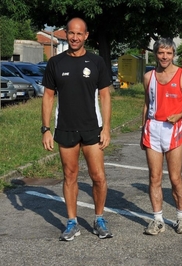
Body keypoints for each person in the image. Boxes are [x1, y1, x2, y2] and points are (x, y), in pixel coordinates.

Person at [41, 17, 113, 241]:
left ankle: (99, 218)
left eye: (79, 34)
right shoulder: (56, 63)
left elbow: (105, 96)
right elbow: (48, 97)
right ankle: (72, 222)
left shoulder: (97, 62)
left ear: (86, 36)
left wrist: (107, 128)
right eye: (71, 33)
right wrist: (45, 129)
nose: (74, 37)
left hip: (92, 128)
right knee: (69, 176)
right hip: (66, 128)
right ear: (66, 34)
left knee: (98, 177)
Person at [141, 38, 182, 235]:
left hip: (174, 129)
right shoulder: (149, 77)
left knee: (175, 177)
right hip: (153, 128)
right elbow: (147, 104)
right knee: (154, 177)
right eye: (161, 53)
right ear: (155, 54)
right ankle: (158, 220)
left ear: (173, 54)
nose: (165, 57)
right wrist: (142, 129)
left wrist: (180, 115)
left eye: (168, 53)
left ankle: (181, 218)